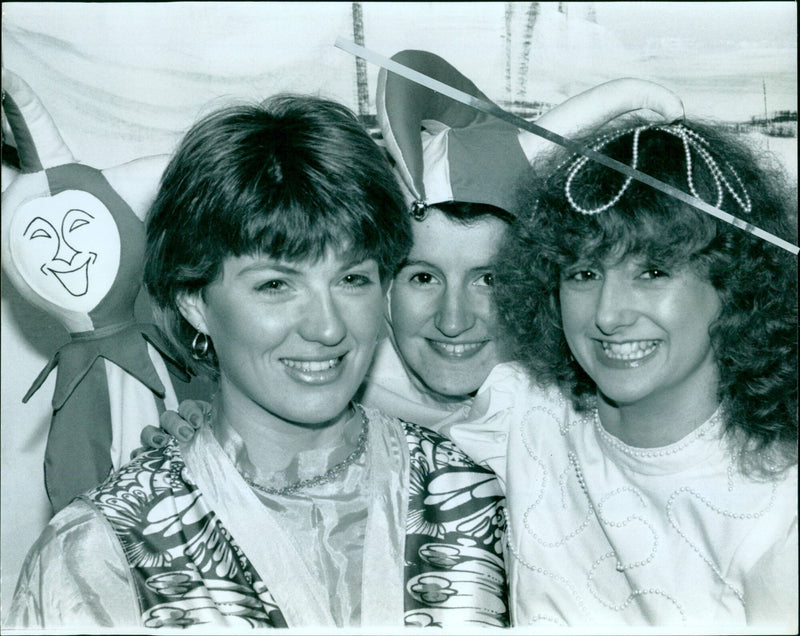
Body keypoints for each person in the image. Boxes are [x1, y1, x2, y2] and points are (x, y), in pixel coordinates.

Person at [6, 95, 509, 629]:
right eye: (276, 285)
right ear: (193, 301)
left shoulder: (468, 494)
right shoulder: (103, 550)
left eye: (351, 279)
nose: (327, 327)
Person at [148, 51, 686, 440]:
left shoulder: (589, 406)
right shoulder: (331, 377)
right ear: (382, 286)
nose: (454, 319)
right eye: (422, 276)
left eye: (490, 278)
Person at [447, 120, 798, 629]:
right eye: (584, 274)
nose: (609, 314)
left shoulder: (777, 511)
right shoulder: (529, 410)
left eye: (653, 272)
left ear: (735, 284)